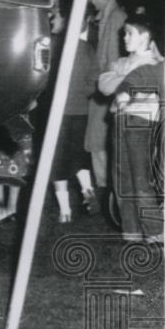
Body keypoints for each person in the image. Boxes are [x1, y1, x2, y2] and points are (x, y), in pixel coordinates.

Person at [97, 13, 164, 244]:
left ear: (144, 37)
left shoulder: (153, 63)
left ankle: (154, 231)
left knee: (140, 178)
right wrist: (127, 82)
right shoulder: (123, 62)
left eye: (129, 33)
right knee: (121, 179)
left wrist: (125, 80)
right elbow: (104, 84)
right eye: (124, 33)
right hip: (119, 122)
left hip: (141, 123)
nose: (124, 37)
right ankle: (131, 232)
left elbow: (142, 89)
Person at [50, 13, 98, 223]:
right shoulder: (86, 48)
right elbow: (95, 79)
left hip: (57, 113)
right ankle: (87, 188)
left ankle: (65, 211)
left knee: (57, 160)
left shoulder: (55, 46)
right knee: (78, 155)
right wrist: (81, 92)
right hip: (81, 110)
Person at [84, 0, 127, 195]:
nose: (91, 1)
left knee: (98, 137)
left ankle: (105, 185)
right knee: (97, 137)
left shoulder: (115, 17)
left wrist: (107, 86)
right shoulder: (105, 17)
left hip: (107, 86)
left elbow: (112, 56)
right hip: (103, 84)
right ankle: (105, 183)